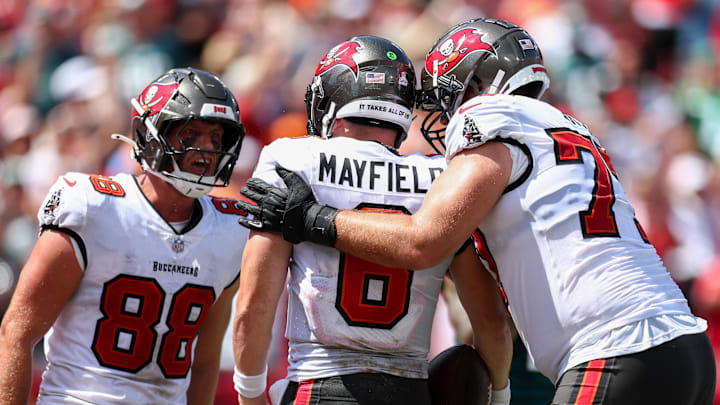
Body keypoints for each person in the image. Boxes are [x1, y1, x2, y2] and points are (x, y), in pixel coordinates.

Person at [236, 18, 716, 405]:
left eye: (451, 90)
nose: (447, 110)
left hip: (616, 348)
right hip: (684, 343)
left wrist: (313, 219)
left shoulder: (489, 116)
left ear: (482, 82)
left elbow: (423, 241)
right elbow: (485, 311)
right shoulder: (568, 126)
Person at [232, 36, 512, 405]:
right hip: (410, 392)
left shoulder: (294, 158)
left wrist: (250, 393)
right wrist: (501, 393)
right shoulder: (441, 177)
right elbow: (489, 319)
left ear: (332, 96)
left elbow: (254, 304)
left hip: (318, 386)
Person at [0, 67, 251, 404]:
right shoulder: (94, 207)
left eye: (216, 138)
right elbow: (16, 333)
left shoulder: (229, 230)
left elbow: (203, 363)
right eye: (191, 135)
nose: (206, 150)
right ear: (150, 135)